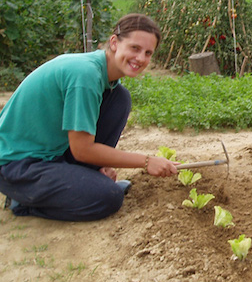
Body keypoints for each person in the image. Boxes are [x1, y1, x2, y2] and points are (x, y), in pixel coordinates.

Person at [0, 13, 179, 221]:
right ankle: (23, 202)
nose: (141, 58)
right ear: (114, 42)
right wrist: (147, 161)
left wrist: (102, 165)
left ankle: (89, 176)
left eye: (148, 53)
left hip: (51, 152)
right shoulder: (85, 76)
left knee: (120, 99)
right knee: (108, 197)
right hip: (16, 163)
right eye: (135, 48)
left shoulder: (105, 79)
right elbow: (82, 149)